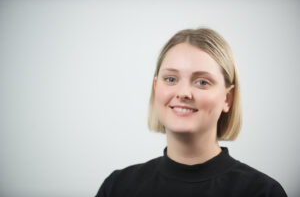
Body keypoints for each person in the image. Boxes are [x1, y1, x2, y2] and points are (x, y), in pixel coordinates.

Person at [95, 28, 287, 197]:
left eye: (202, 82)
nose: (183, 93)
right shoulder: (117, 187)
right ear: (156, 87)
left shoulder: (262, 191)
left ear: (227, 99)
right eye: (171, 79)